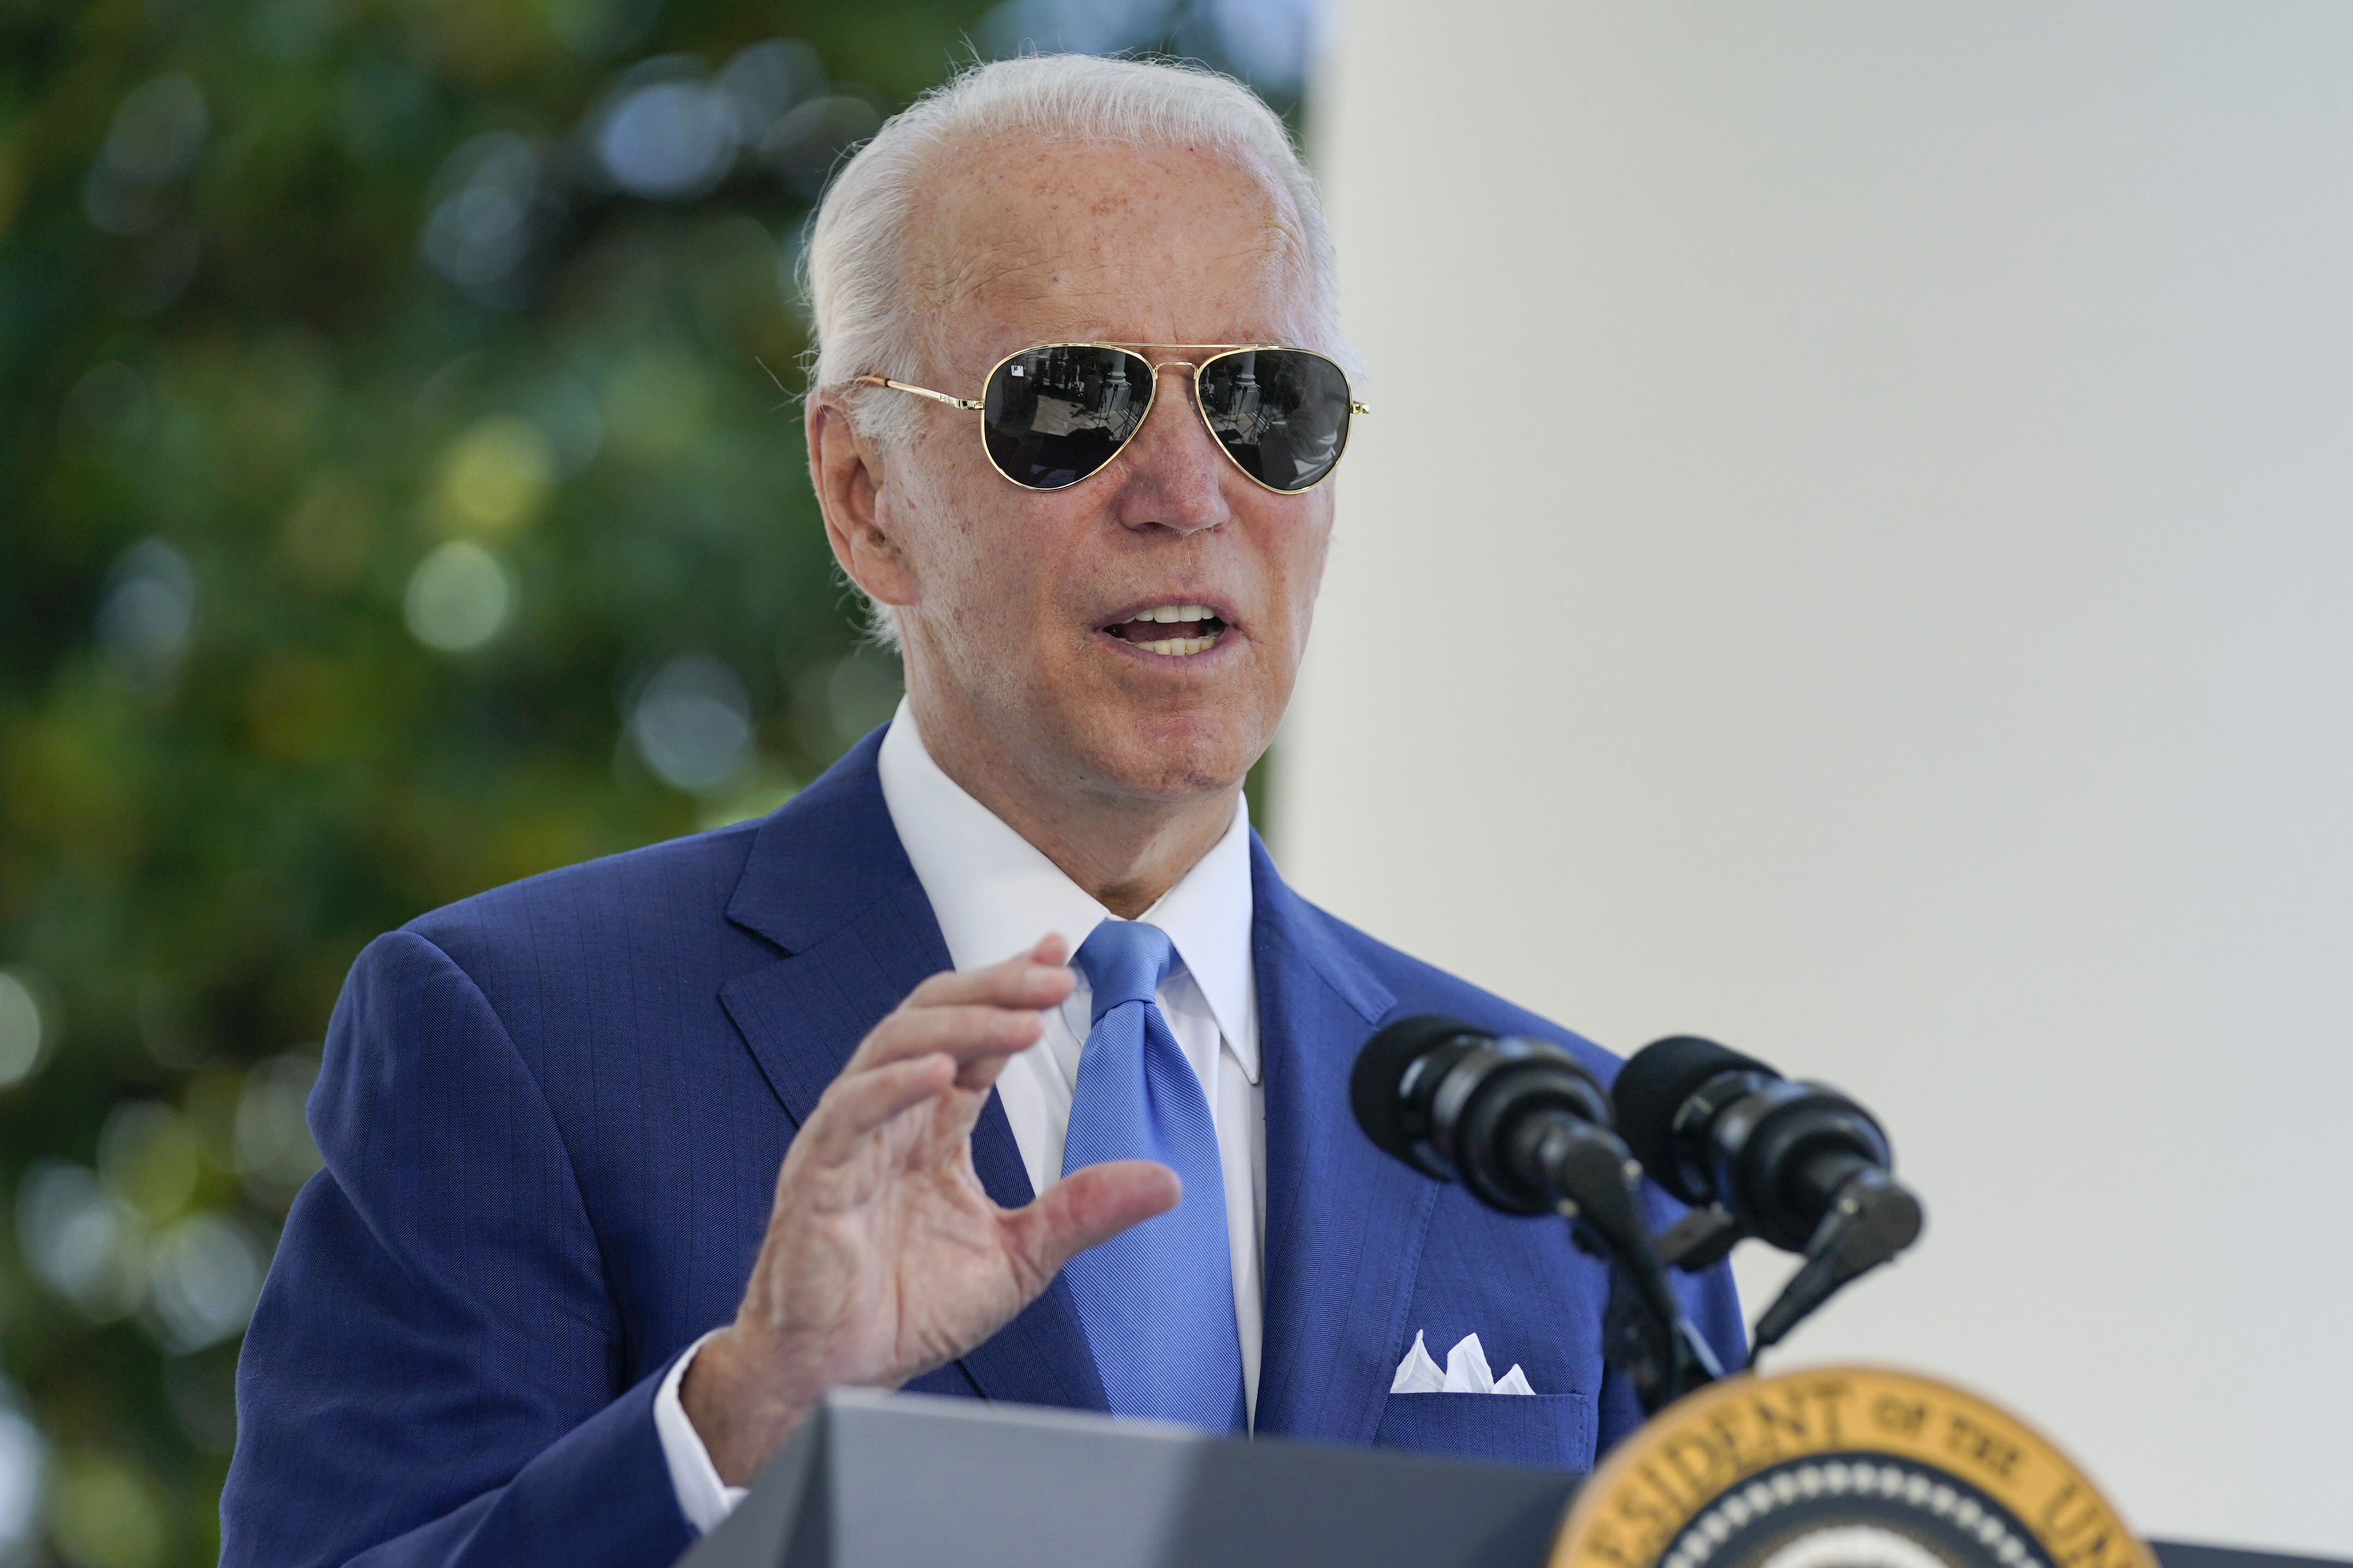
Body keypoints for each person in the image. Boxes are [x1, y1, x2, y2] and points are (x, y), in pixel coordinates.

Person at [220, 54, 1742, 1568]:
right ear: (862, 491)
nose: (1185, 492)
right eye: (1071, 401)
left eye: (1264, 404)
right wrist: (736, 1420)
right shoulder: (520, 1032)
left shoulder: (1583, 1158)